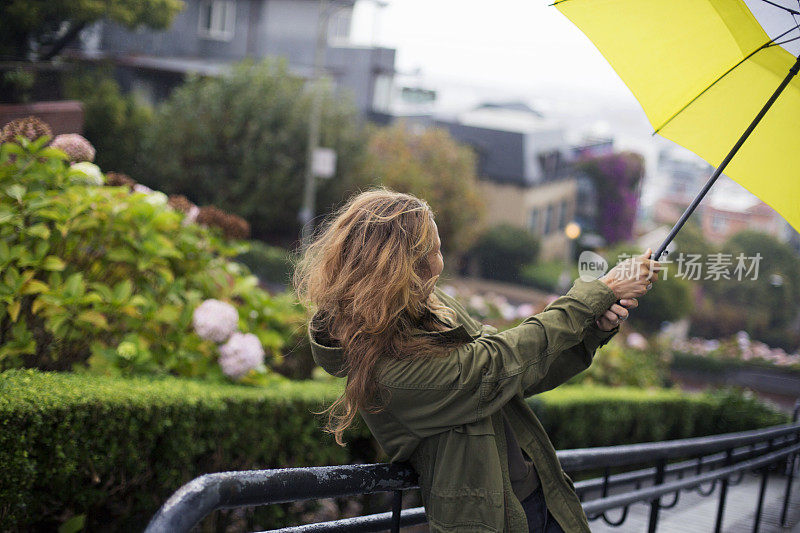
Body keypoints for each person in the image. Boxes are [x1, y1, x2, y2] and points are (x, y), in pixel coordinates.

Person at [294, 189, 659, 532]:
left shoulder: (429, 314)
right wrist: (599, 291)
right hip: (492, 519)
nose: (440, 262)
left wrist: (593, 327)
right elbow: (498, 364)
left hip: (537, 495)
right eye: (434, 251)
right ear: (400, 268)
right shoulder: (387, 370)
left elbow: (519, 374)